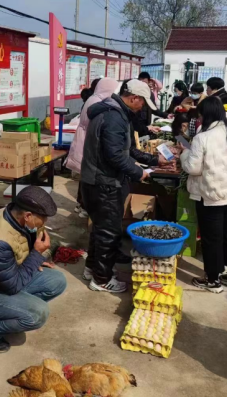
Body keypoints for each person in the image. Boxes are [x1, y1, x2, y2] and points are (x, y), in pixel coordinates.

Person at [0, 186, 66, 353]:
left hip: (5, 279)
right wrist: (36, 256)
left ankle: (14, 312)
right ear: (28, 216)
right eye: (43, 218)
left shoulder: (15, 216)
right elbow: (12, 286)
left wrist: (35, 261)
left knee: (57, 280)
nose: (45, 223)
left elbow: (17, 254)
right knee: (38, 314)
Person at [81, 79, 157, 293]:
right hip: (103, 182)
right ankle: (102, 279)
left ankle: (92, 268)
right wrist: (139, 172)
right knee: (109, 232)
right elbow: (114, 155)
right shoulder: (114, 116)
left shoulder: (117, 113)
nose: (143, 108)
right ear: (134, 98)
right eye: (143, 103)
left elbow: (128, 149)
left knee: (101, 228)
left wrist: (153, 160)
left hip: (99, 180)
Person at [180, 97, 227, 293]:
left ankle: (213, 279)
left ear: (205, 115)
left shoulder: (203, 137)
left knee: (212, 239)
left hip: (211, 196)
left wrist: (184, 154)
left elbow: (193, 168)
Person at [67, 78, 116, 218]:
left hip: (84, 139)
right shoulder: (97, 102)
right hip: (87, 141)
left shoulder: (93, 99)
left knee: (84, 175)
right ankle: (84, 207)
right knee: (88, 178)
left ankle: (80, 204)